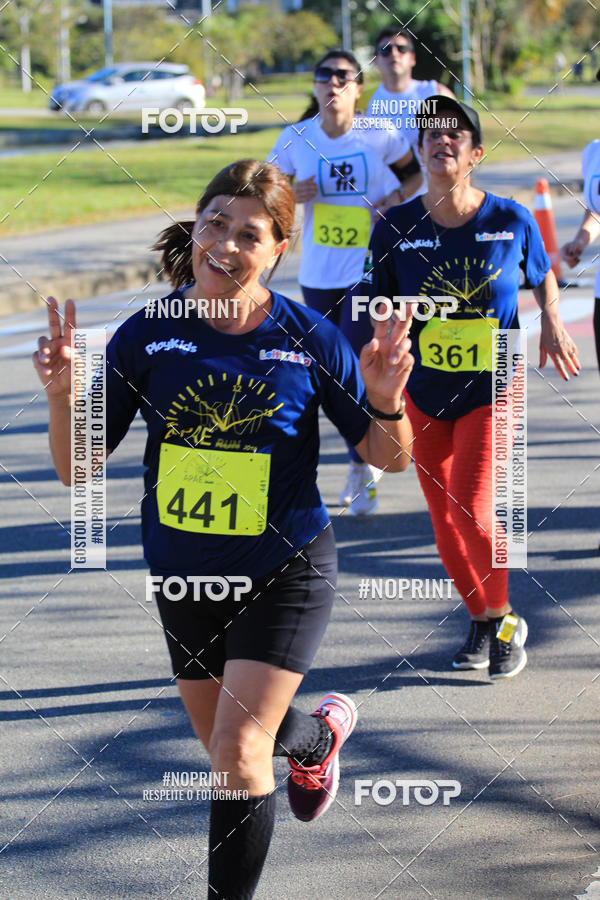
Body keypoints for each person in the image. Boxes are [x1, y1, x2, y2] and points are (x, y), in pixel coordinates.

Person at [32, 159, 415, 898]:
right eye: (215, 223)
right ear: (195, 227)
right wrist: (59, 398)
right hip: (184, 574)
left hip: (287, 567)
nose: (226, 244)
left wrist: (386, 400)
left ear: (278, 250)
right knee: (233, 745)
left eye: (250, 233)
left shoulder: (309, 336)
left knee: (239, 751)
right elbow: (79, 469)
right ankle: (318, 738)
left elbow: (386, 459)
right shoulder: (148, 334)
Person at [368, 97, 581, 679]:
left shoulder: (510, 218)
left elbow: (544, 277)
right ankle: (482, 619)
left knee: (472, 511)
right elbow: (377, 302)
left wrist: (554, 326)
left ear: (475, 153)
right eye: (430, 134)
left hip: (495, 383)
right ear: (419, 150)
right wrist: (385, 340)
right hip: (425, 389)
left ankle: (507, 618)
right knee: (442, 518)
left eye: (455, 135)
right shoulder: (393, 227)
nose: (442, 141)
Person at [268, 48, 422, 516]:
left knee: (357, 363)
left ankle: (362, 465)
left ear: (357, 88)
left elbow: (415, 174)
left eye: (343, 76)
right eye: (324, 76)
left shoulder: (378, 133)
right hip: (317, 275)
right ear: (315, 88)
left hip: (366, 272)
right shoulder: (295, 137)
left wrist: (392, 199)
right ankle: (342, 462)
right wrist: (292, 194)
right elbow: (265, 195)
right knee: (322, 372)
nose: (333, 83)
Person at [366, 27, 454, 192]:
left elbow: (461, 145)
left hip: (433, 199)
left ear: (412, 58)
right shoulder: (362, 102)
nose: (394, 54)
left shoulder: (436, 93)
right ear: (375, 60)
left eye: (401, 49)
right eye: (385, 50)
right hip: (385, 203)